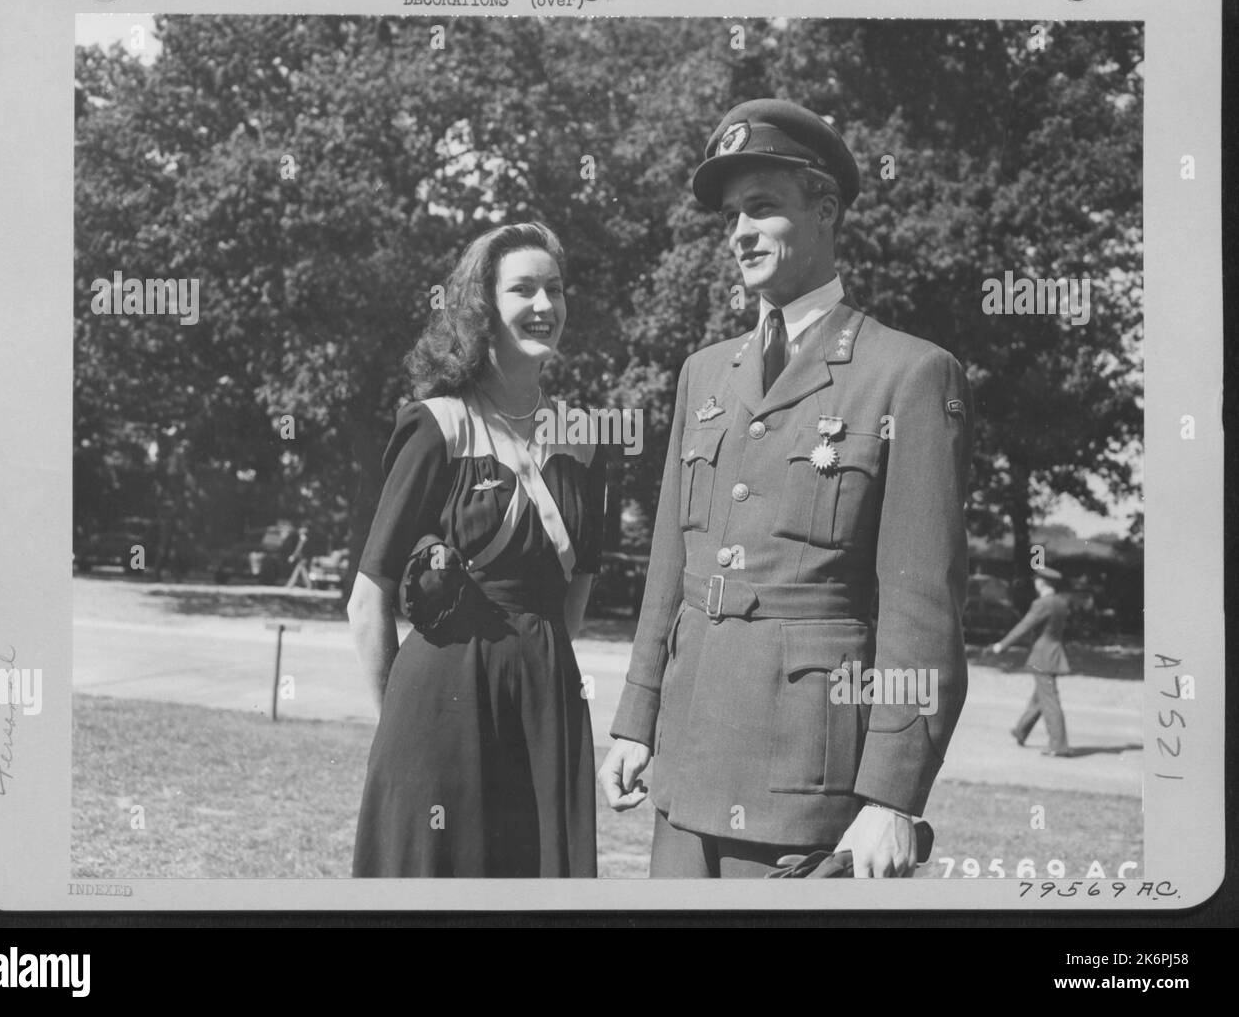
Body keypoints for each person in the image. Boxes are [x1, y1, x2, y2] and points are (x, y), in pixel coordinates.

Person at [599, 98, 974, 878]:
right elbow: (670, 563)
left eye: (762, 208)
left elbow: (920, 606)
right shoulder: (705, 373)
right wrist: (637, 720)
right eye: (732, 215)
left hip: (804, 779)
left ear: (826, 209)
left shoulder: (906, 374)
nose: (739, 231)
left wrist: (892, 798)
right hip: (686, 760)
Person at [347, 222, 606, 877]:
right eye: (523, 289)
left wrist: (535, 664)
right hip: (441, 703)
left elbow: (577, 593)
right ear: (483, 306)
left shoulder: (583, 437)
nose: (544, 306)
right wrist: (403, 728)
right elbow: (368, 598)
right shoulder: (436, 424)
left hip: (546, 704)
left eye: (555, 289)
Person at [991, 566, 1074, 757]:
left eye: (1037, 580)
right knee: (1041, 697)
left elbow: (1024, 626)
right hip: (1054, 654)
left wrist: (1002, 645)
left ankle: (1059, 745)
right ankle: (1021, 730)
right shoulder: (1061, 602)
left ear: (1041, 582)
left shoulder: (1042, 604)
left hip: (1043, 657)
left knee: (1049, 701)